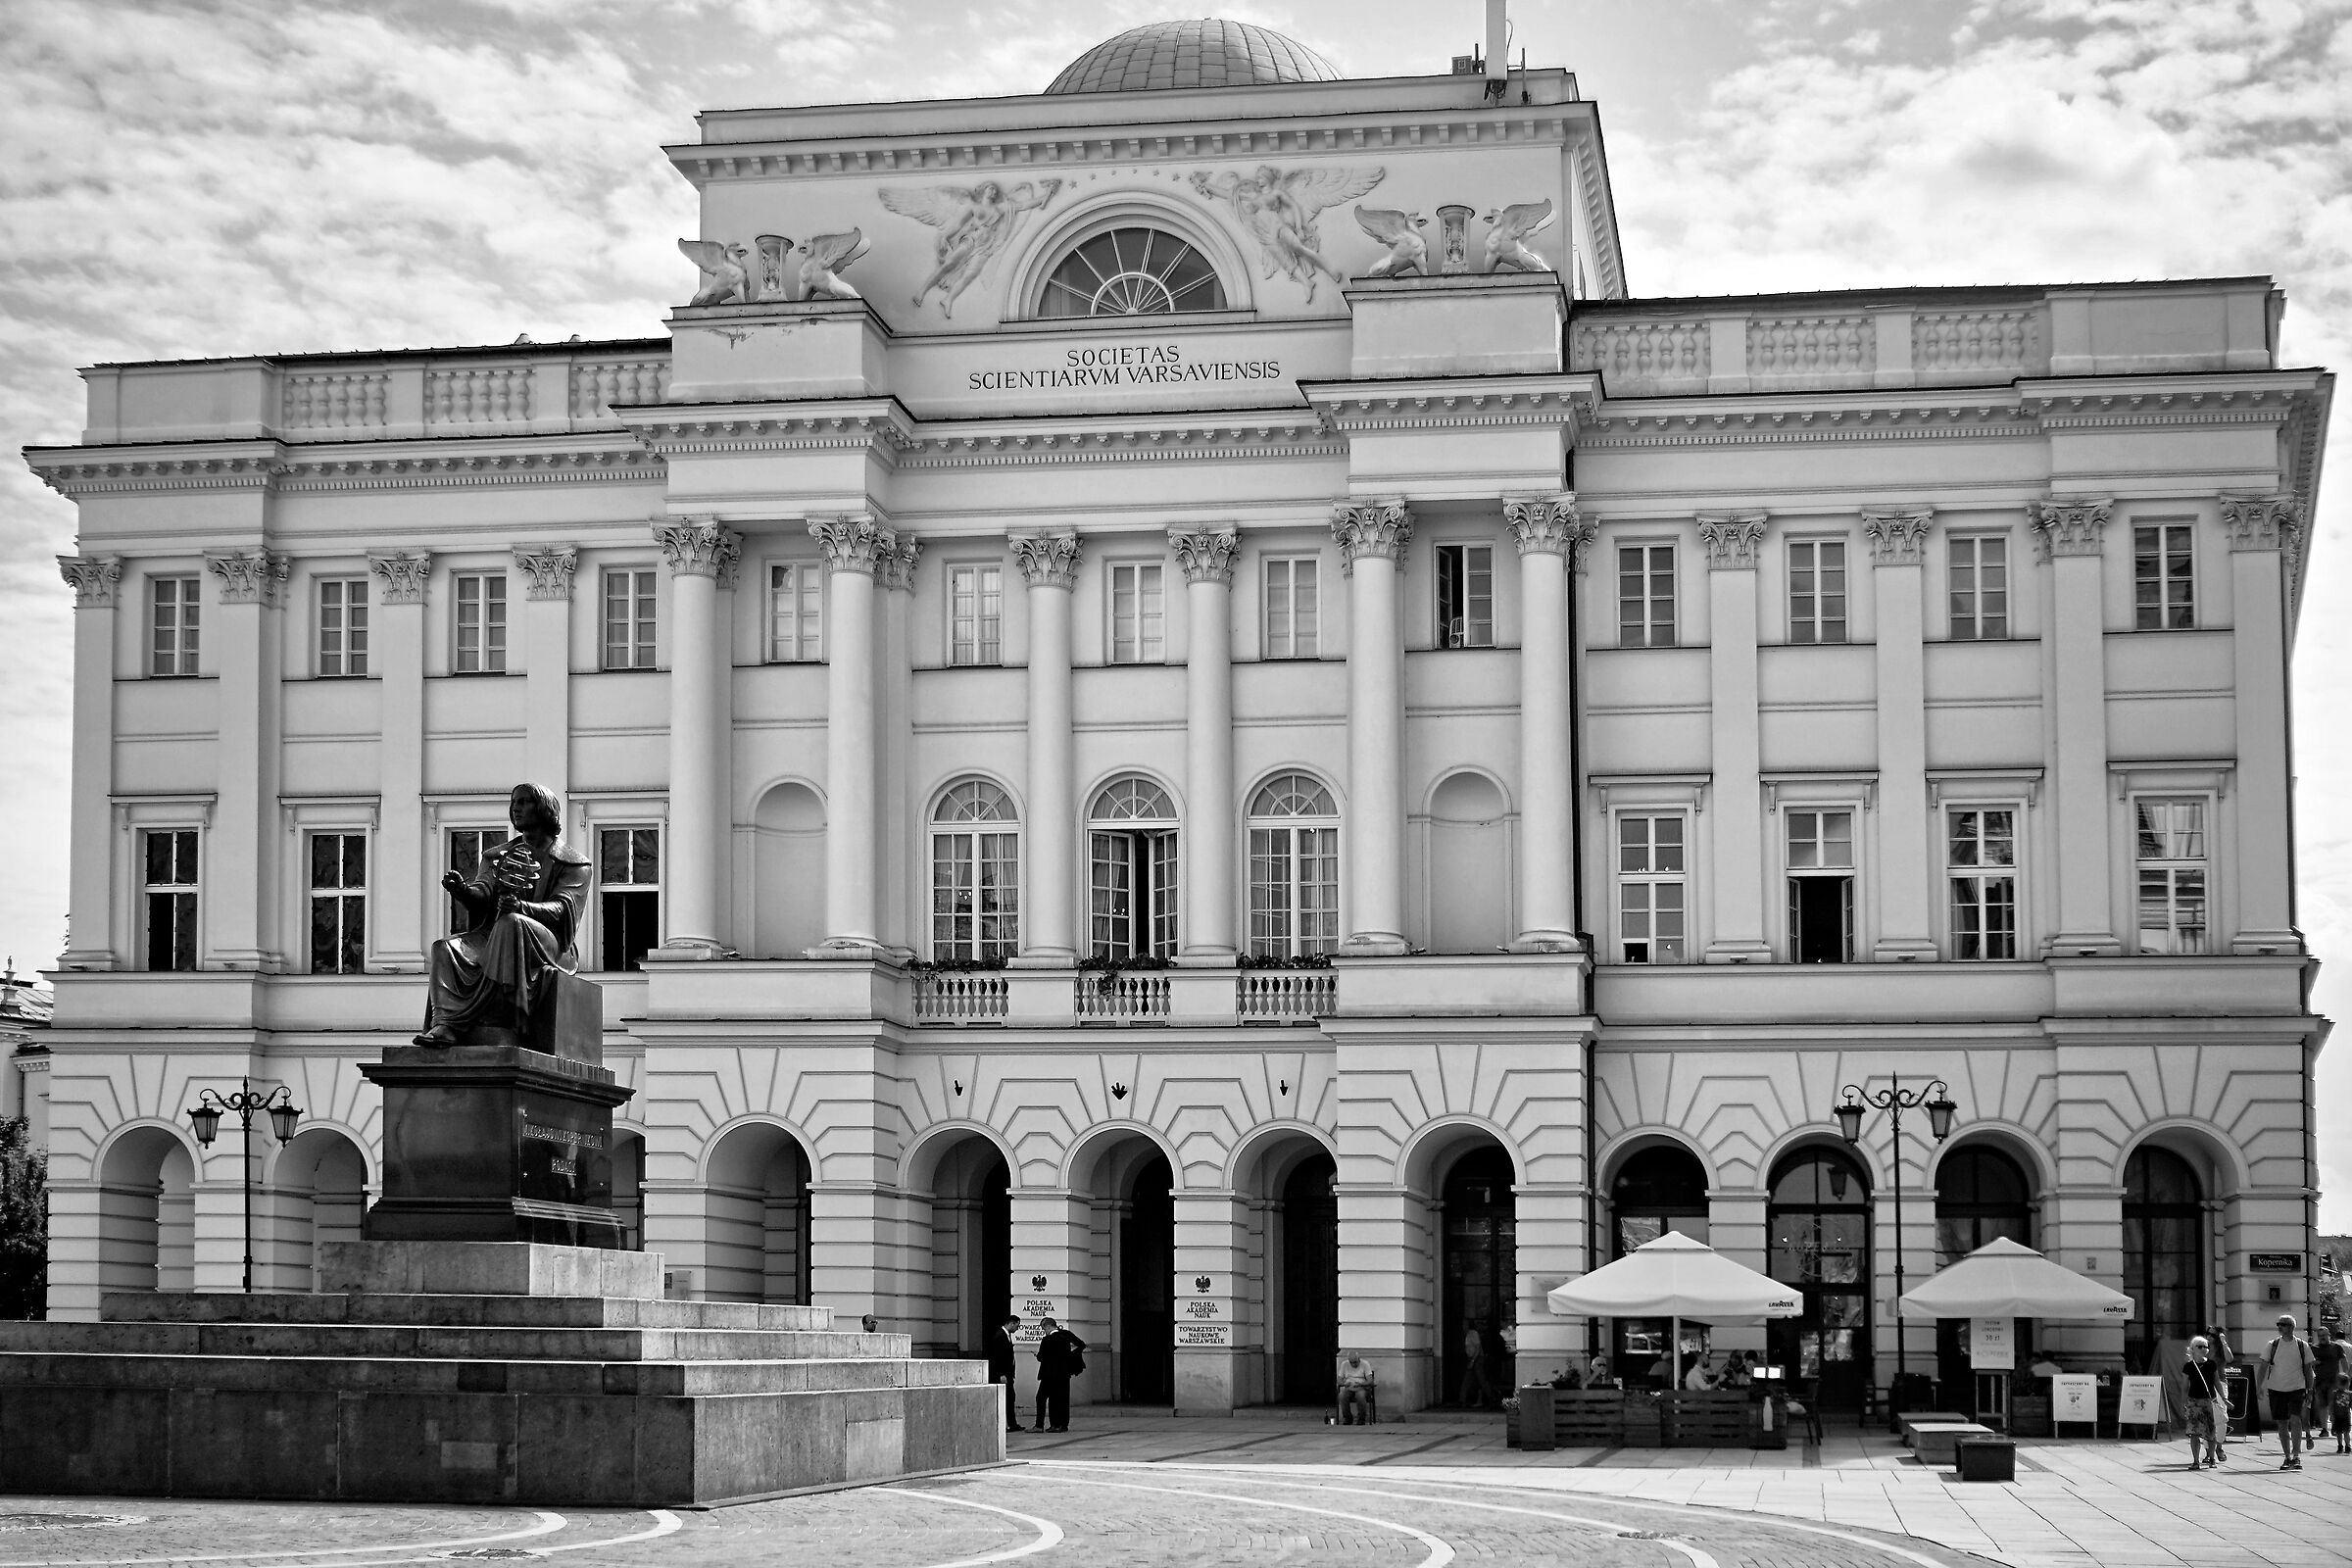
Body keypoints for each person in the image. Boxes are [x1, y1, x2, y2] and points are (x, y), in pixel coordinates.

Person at [417, 783, 590, 1048]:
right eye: (513, 803)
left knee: (511, 924)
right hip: (497, 932)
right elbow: (483, 894)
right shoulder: (498, 856)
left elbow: (563, 910)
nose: (516, 808)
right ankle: (446, 1025)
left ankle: (502, 1021)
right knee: (445, 948)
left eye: (524, 802)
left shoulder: (573, 863)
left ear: (545, 809)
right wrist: (463, 891)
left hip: (548, 942)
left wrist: (522, 908)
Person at [2262, 1313, 2316, 1470]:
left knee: (2296, 1420)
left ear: (2292, 1327)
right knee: (2282, 1424)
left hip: (2296, 1388)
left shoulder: (2302, 1345)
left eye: (2283, 1324)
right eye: (2278, 1324)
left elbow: (2308, 1369)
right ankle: (2287, 1457)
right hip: (2276, 1389)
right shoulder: (2272, 1345)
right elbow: (2263, 1367)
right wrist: (2259, 1386)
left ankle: (2297, 1456)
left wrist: (2310, 1390)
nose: (2279, 1327)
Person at [1034, 1315, 1087, 1434]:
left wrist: (1038, 1356)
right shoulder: (1066, 1335)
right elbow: (1082, 1344)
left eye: (1044, 1329)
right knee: (1063, 1399)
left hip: (1049, 1374)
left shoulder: (1047, 1340)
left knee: (1043, 1398)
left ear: (1048, 1326)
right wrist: (1072, 1356)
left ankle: (1045, 1425)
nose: (1044, 1331)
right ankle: (1063, 1424)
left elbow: (1041, 1357)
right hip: (1064, 1372)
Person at [2182, 1335, 2226, 1468]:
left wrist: (2224, 1398)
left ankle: (2212, 1459)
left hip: (2208, 1401)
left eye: (2205, 1347)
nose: (2203, 1349)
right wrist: (2183, 1402)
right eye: (2199, 1347)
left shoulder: (2211, 1364)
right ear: (2192, 1349)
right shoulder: (2188, 1366)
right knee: (2194, 1432)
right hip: (2194, 1401)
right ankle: (2196, 1461)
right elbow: (2184, 1386)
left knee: (2210, 1432)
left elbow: (2217, 1382)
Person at [988, 1314, 1023, 1433]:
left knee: (1010, 1398)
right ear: (1011, 1323)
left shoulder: (1006, 1336)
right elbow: (997, 1357)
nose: (1017, 1329)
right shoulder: (1000, 1336)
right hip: (1002, 1375)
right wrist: (1001, 1374)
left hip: (1007, 1374)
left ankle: (1012, 1424)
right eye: (1017, 1326)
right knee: (1006, 1399)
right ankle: (1008, 1424)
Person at [2310, 1326, 2344, 1444]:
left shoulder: (2336, 1347)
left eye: (2324, 1335)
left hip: (2334, 1380)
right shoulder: (2313, 1348)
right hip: (2319, 1381)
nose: (2322, 1338)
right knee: (2322, 1405)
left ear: (2329, 1335)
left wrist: (2345, 1377)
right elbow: (2308, 1363)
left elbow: (2343, 1362)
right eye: (2320, 1336)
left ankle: (2334, 1426)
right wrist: (2314, 1362)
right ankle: (2324, 1428)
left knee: (2332, 1404)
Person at [1458, 1322, 1494, 1408]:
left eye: (1464, 1324)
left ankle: (1491, 1397)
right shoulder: (1466, 1334)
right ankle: (1462, 1400)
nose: (1463, 1326)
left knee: (1481, 1379)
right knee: (1469, 1379)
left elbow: (1478, 1347)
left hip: (1477, 1358)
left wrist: (1473, 1361)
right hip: (1472, 1358)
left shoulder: (1473, 1333)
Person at [1338, 1351, 1378, 1425]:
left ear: (1359, 1359)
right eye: (1351, 1362)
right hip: (1349, 1387)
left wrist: (1361, 1384)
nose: (1353, 1364)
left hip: (1361, 1387)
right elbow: (1339, 1380)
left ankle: (1361, 1419)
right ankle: (1347, 1418)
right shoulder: (1344, 1364)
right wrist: (1344, 1383)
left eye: (1355, 1362)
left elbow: (1370, 1380)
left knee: (1360, 1396)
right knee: (1342, 1396)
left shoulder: (1365, 1364)